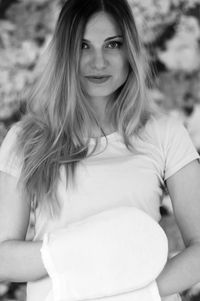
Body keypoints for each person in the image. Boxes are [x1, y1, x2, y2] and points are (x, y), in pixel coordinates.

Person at [0, 0, 200, 300]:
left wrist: (141, 295)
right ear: (65, 52)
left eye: (112, 44)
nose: (98, 62)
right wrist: (79, 248)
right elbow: (3, 260)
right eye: (83, 46)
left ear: (129, 49)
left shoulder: (164, 133)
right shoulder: (27, 138)